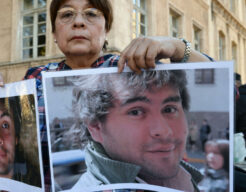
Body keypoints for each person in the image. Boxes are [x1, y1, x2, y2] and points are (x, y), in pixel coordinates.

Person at [0, 0, 213, 189]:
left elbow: (228, 89)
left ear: (106, 30)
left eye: (91, 14)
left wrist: (177, 47)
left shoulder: (132, 69)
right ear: (54, 34)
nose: (78, 21)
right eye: (67, 15)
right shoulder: (35, 77)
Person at [70, 70, 202, 192]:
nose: (164, 131)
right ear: (95, 127)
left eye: (169, 109)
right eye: (136, 112)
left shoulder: (185, 181)